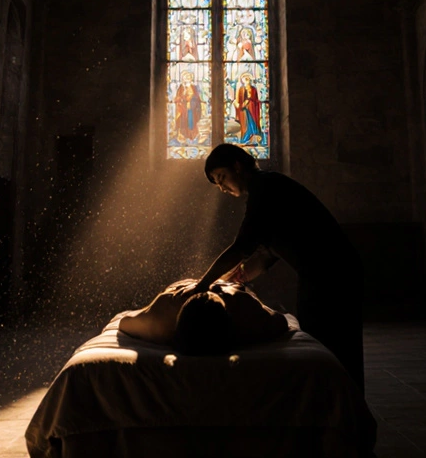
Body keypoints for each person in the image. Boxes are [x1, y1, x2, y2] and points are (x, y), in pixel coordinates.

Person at [190, 144, 366, 391]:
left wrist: (203, 283)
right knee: (328, 347)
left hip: (332, 277)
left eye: (222, 178)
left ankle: (343, 414)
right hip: (326, 274)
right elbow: (270, 248)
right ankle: (340, 410)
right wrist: (244, 273)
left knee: (332, 349)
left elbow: (242, 246)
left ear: (237, 166)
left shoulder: (265, 187)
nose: (222, 188)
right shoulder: (267, 186)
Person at [118, 278, 289, 353]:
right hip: (230, 288)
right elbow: (281, 320)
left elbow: (124, 322)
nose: (206, 291)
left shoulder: (162, 319)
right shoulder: (243, 310)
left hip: (184, 291)